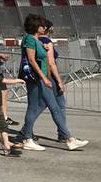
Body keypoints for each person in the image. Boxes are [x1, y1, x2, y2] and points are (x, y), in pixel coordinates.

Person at [18, 15, 86, 151]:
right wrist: (44, 78)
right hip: (37, 79)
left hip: (40, 79)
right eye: (42, 25)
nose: (44, 28)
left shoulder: (35, 40)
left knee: (44, 108)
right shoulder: (30, 39)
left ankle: (66, 138)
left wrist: (43, 48)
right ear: (36, 27)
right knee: (43, 108)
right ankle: (29, 138)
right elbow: (31, 60)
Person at [38, 18, 89, 149]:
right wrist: (59, 81)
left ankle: (61, 134)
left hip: (45, 77)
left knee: (42, 106)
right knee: (57, 107)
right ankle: (64, 136)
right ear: (48, 29)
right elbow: (51, 63)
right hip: (51, 78)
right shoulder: (47, 42)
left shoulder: (36, 41)